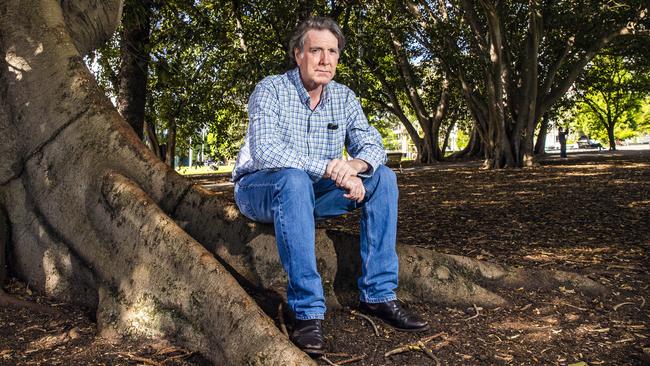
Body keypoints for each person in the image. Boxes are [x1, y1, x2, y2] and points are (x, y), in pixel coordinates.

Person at [231, 17, 428, 356]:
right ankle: (307, 312)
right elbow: (265, 150)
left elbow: (373, 145)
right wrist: (329, 168)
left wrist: (354, 166)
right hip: (260, 188)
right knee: (292, 179)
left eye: (332, 52)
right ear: (298, 54)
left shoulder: (344, 97)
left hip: (313, 191)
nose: (325, 60)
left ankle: (379, 295)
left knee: (383, 178)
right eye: (316, 50)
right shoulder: (271, 89)